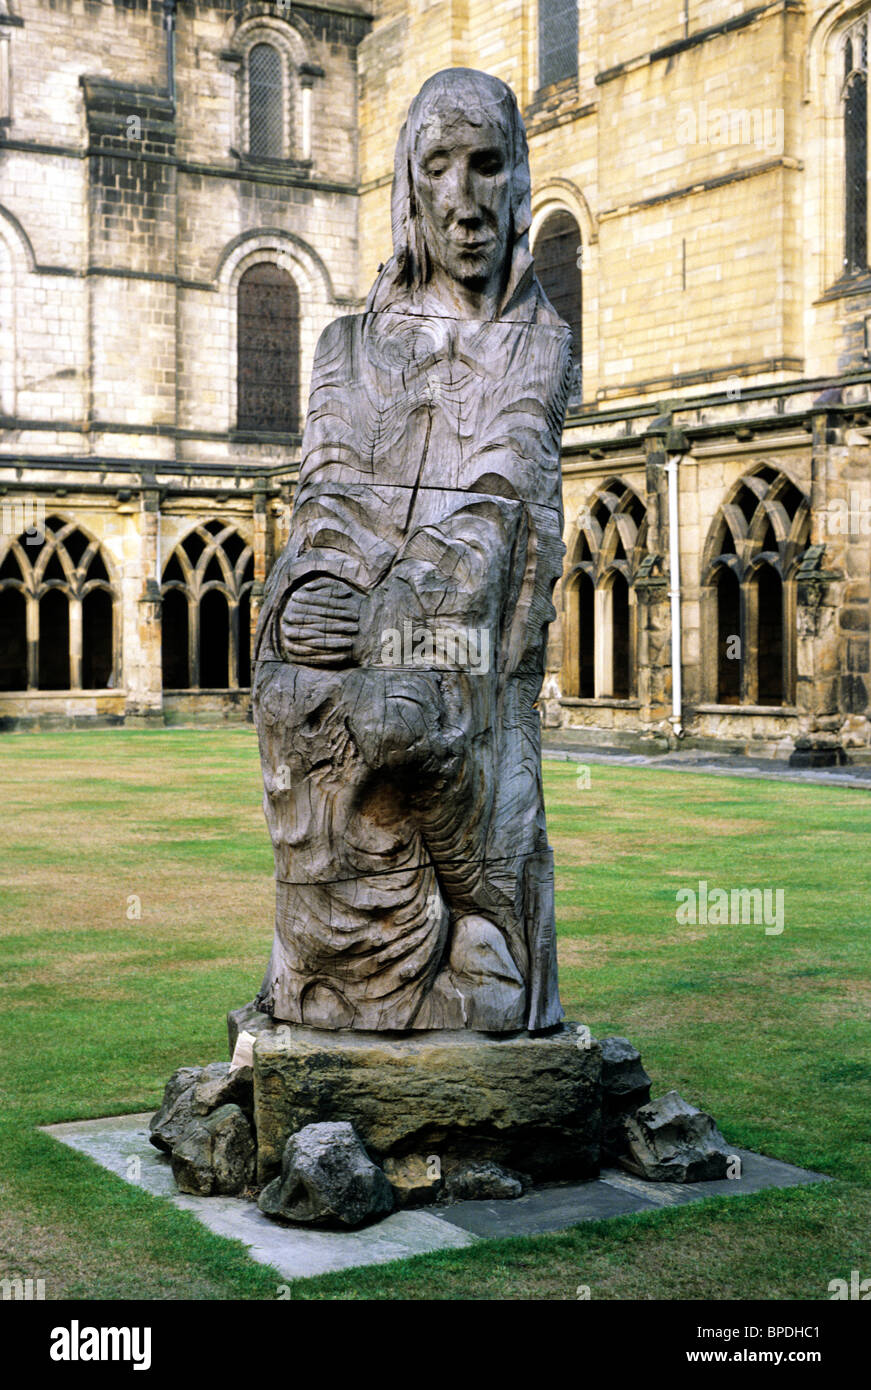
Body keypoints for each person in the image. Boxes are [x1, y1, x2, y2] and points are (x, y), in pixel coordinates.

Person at [252, 69, 572, 1031]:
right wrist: (310, 588)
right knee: (289, 689)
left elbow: (498, 500)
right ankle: (337, 972)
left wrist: (390, 618)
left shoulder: (537, 344)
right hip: (361, 608)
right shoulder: (345, 346)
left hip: (461, 631)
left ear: (518, 182)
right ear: (409, 184)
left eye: (487, 167)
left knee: (398, 711)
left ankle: (477, 937)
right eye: (440, 168)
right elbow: (328, 491)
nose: (465, 203)